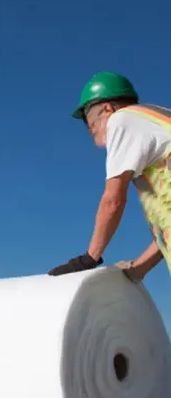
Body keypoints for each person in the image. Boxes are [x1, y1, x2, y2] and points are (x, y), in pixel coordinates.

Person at [48, 71, 171, 283]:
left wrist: (89, 259)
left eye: (91, 124)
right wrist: (136, 271)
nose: (89, 131)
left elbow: (113, 200)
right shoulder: (155, 127)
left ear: (107, 109)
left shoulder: (122, 120)